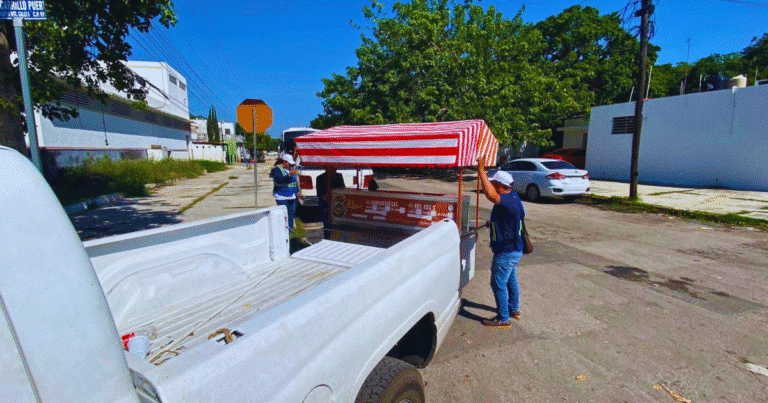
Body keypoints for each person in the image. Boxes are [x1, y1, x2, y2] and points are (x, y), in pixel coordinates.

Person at [476, 156, 526, 328]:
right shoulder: (514, 197)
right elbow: (513, 218)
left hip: (507, 251)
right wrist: (494, 223)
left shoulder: (506, 201)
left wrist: (481, 170)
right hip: (515, 249)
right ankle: (513, 309)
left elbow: (491, 195)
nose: (490, 185)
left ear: (500, 185)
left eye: (493, 183)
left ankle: (503, 318)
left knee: (497, 283)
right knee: (510, 280)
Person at [270, 155, 299, 231]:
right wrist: (289, 175)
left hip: (291, 196)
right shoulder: (276, 170)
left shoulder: (292, 170)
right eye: (290, 163)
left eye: (292, 164)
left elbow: (295, 182)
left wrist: (297, 191)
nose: (291, 165)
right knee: (284, 215)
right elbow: (279, 180)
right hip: (281, 196)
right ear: (284, 162)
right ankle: (283, 231)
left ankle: (290, 230)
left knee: (291, 214)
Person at [316, 166, 346, 238]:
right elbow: (319, 193)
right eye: (332, 168)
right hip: (325, 204)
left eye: (334, 168)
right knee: (326, 224)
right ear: (326, 168)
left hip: (337, 204)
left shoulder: (339, 176)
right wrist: (326, 197)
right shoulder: (320, 178)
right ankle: (327, 237)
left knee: (337, 223)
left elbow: (343, 188)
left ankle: (337, 237)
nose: (334, 169)